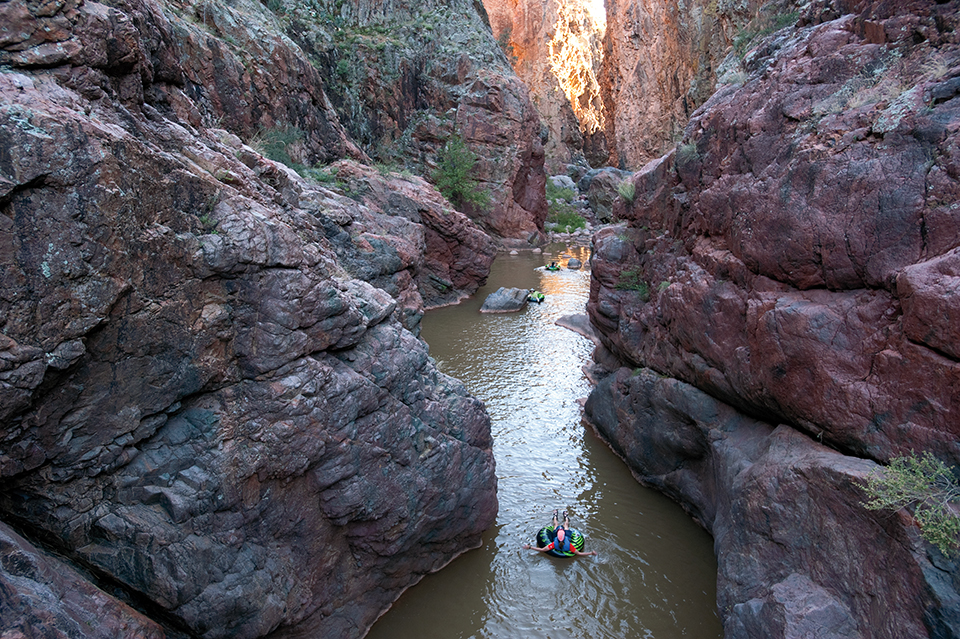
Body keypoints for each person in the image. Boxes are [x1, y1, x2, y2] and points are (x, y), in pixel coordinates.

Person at [522, 509, 598, 556]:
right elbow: (579, 553)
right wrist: (591, 553)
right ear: (564, 535)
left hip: (558, 535)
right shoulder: (569, 546)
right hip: (567, 536)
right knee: (566, 525)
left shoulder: (553, 544)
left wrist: (529, 547)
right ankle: (566, 517)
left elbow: (542, 550)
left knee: (556, 524)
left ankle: (555, 515)